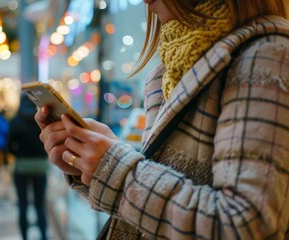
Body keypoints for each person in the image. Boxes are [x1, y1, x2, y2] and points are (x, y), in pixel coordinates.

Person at [35, 0, 289, 239]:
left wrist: (113, 171)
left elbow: (248, 227)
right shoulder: (168, 71)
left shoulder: (267, 56)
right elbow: (165, 199)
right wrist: (94, 163)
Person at [8, 94, 49, 240]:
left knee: (23, 205)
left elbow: (9, 146)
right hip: (41, 166)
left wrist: (19, 154)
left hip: (22, 166)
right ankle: (44, 236)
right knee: (39, 205)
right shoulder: (42, 120)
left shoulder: (15, 120)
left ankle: (24, 236)